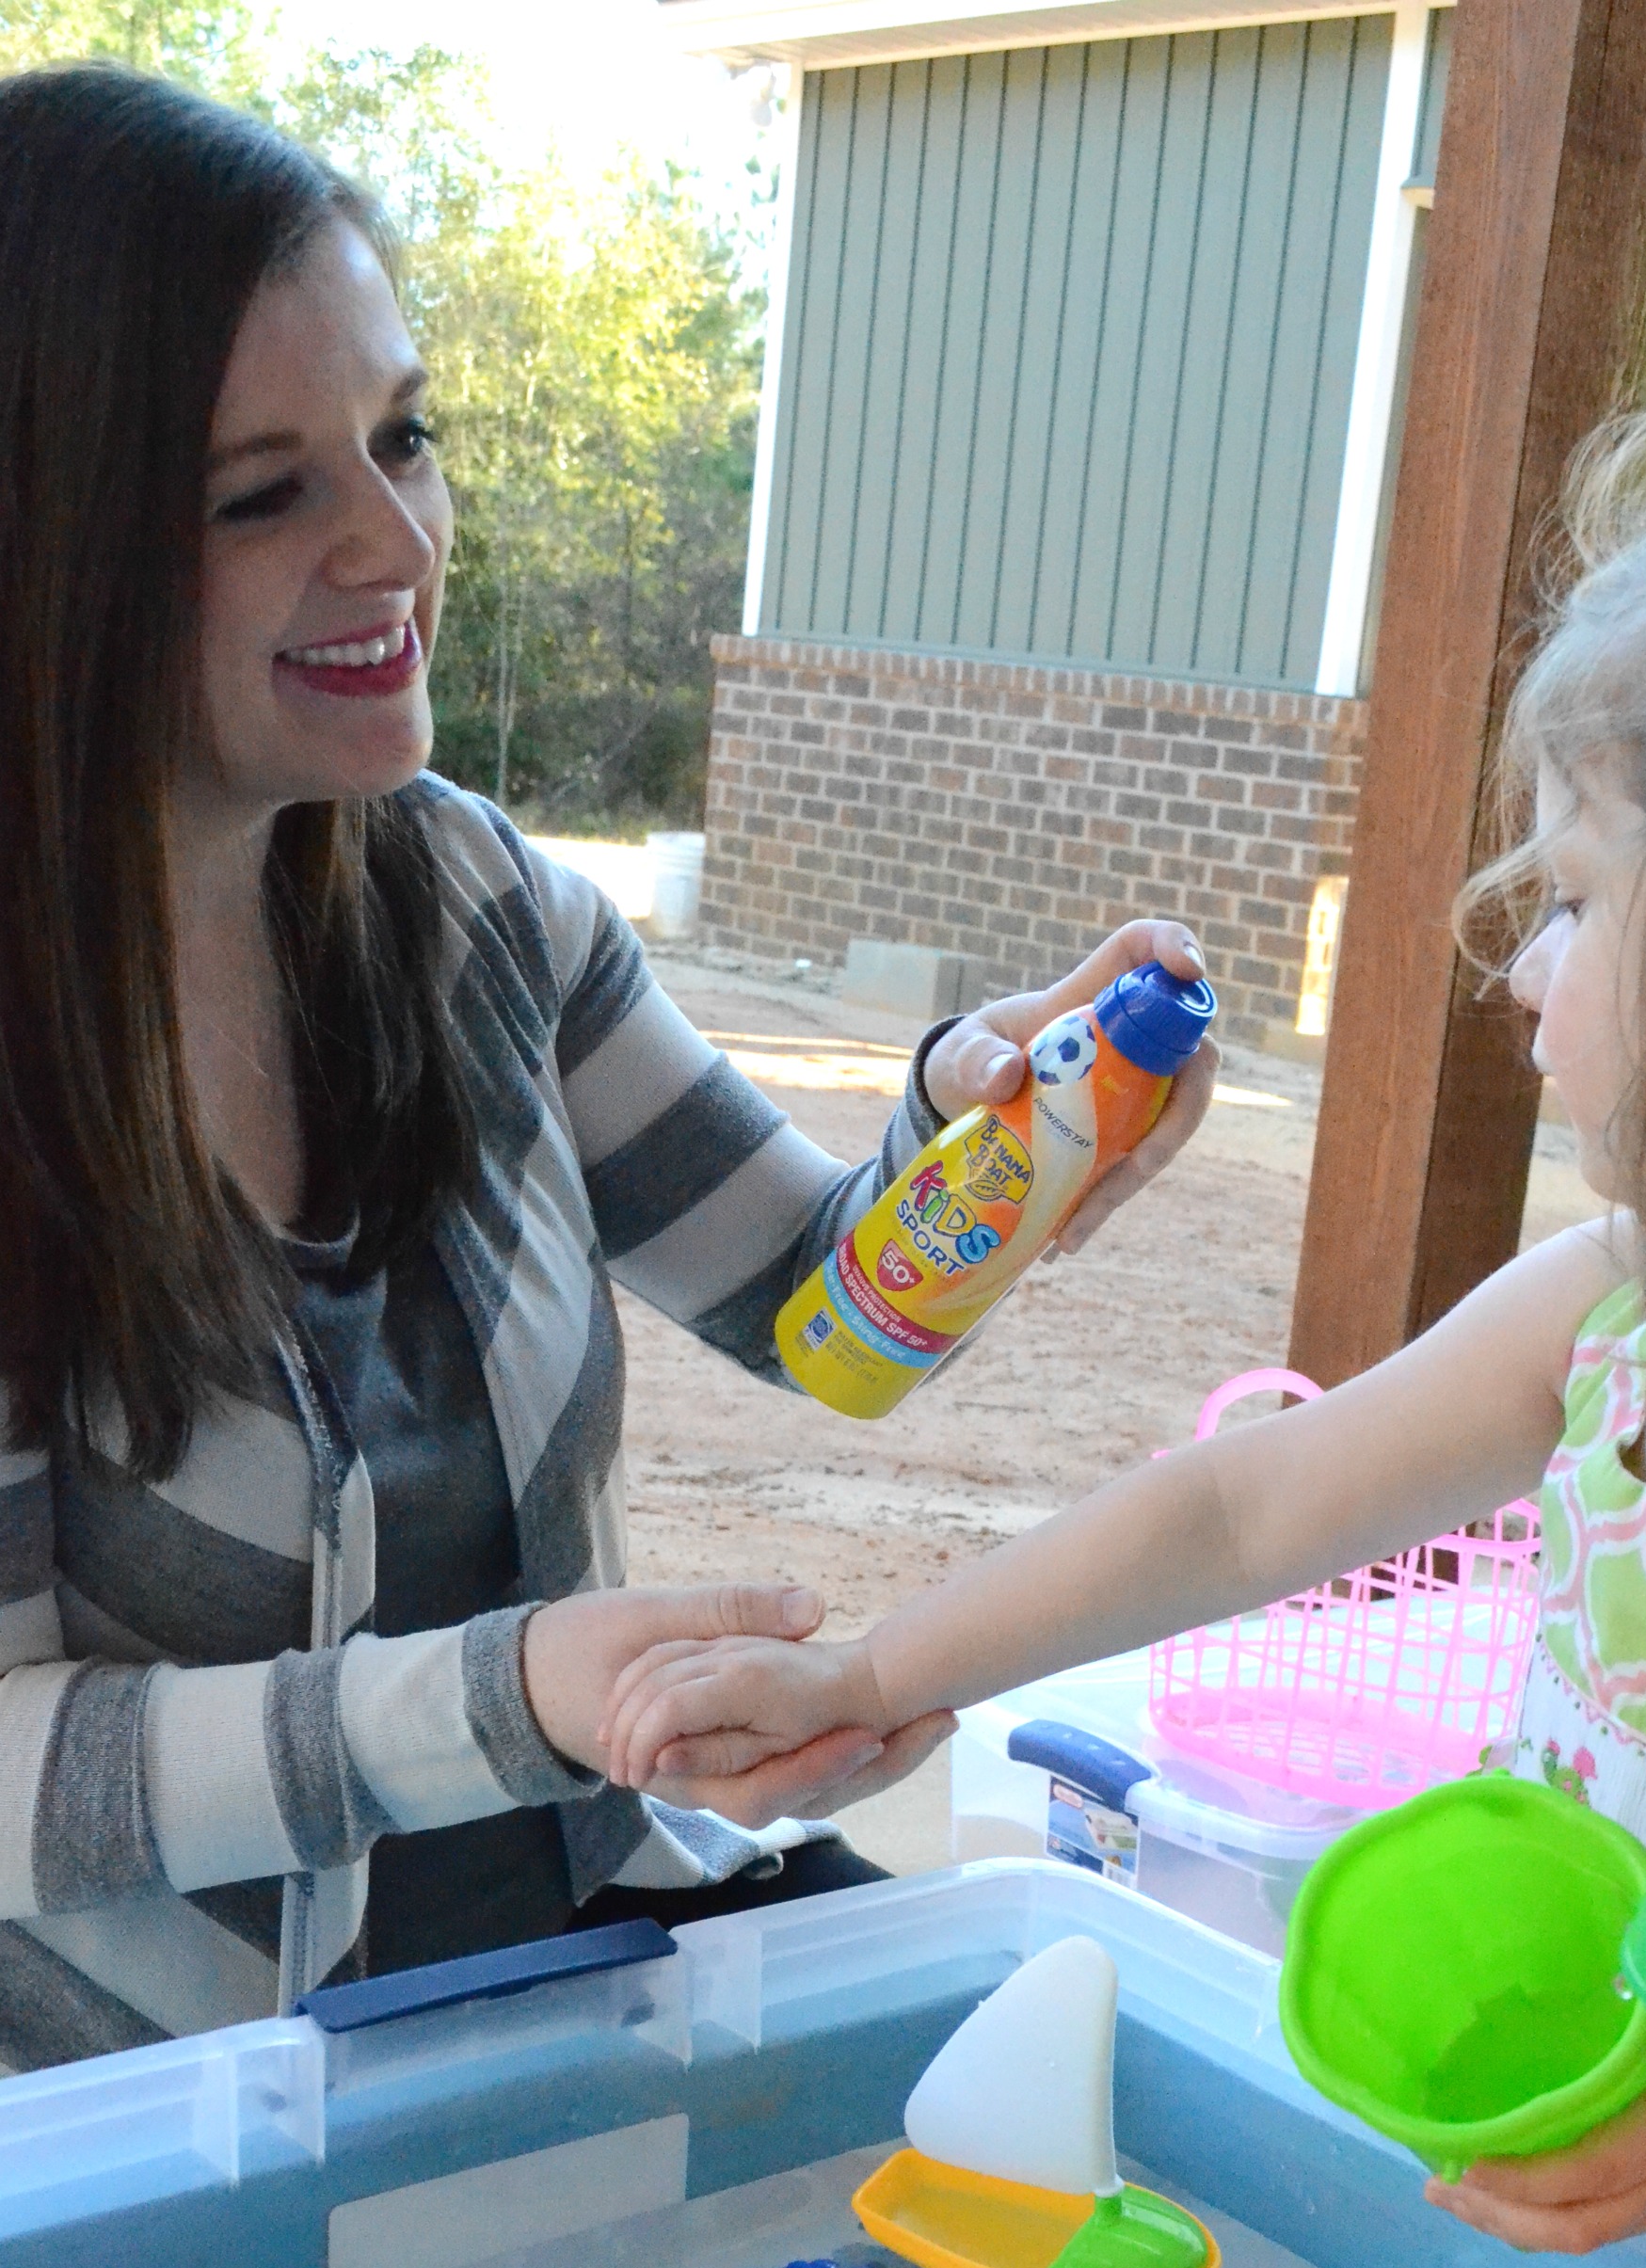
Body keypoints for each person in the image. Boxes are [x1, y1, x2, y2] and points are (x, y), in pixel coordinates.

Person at [593, 290, 1646, 2260]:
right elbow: (1240, 1504)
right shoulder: (1632, 1300)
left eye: (1571, 897)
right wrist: (873, 1678)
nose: (1518, 970)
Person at [0, 62, 1212, 2068]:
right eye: (263, 491)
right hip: (144, 2127)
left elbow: (832, 1319)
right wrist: (513, 1696)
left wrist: (996, 1146)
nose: (393, 543)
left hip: (570, 1976)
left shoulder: (478, 907)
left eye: (404, 438)